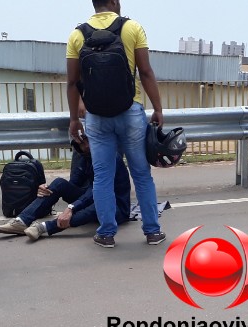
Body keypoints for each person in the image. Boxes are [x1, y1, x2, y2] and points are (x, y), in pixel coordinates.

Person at [66, 0, 166, 248]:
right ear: (113, 2)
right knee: (141, 174)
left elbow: (72, 82)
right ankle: (152, 231)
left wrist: (74, 119)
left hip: (96, 116)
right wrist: (158, 108)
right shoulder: (132, 28)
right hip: (130, 112)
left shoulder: (77, 35)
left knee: (103, 177)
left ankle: (106, 233)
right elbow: (146, 72)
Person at [0, 136, 132, 239]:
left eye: (88, 141)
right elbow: (74, 184)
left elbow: (96, 190)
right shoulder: (83, 155)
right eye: (81, 143)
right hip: (92, 197)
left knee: (99, 204)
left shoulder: (109, 157)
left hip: (115, 206)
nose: (86, 146)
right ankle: (22, 221)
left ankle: (44, 227)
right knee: (59, 183)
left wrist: (72, 207)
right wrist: (46, 188)